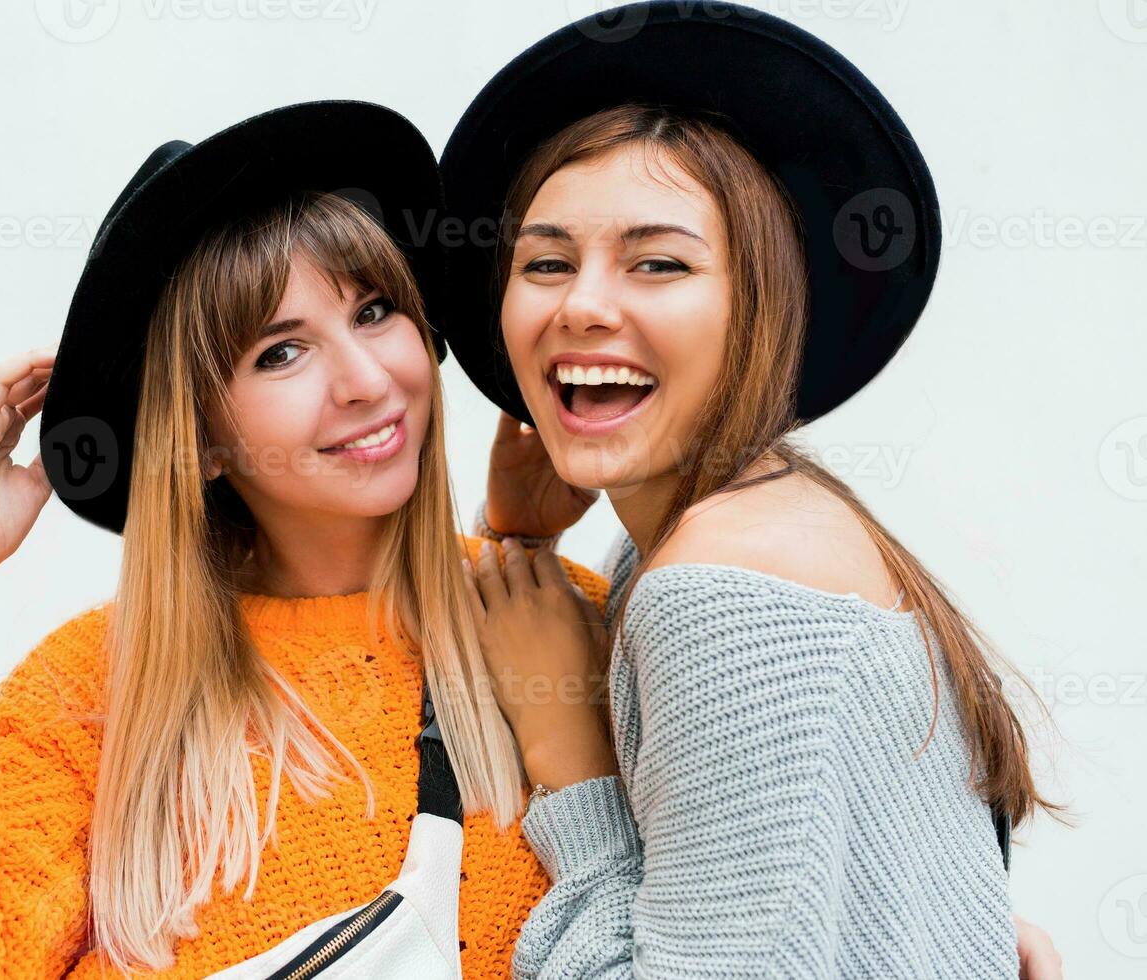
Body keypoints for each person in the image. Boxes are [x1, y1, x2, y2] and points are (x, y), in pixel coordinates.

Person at [0, 101, 609, 979]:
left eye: (374, 311)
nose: (367, 380)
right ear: (204, 442)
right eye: (280, 353)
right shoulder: (97, 698)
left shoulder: (562, 632)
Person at [443, 4, 1065, 977]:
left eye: (659, 262)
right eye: (547, 261)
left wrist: (574, 761)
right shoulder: (764, 519)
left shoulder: (719, 589)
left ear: (761, 307)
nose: (584, 303)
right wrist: (516, 539)